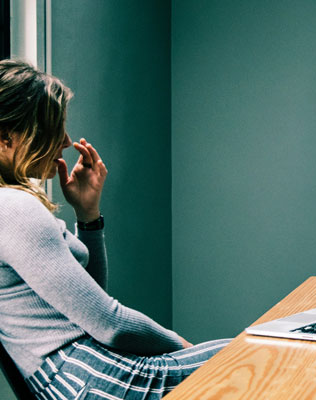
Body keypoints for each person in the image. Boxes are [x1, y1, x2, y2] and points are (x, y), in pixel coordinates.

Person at [0, 60, 230, 399]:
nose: (65, 141)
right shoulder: (13, 208)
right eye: (52, 130)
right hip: (90, 377)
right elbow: (109, 322)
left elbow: (86, 306)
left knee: (259, 355)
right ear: (7, 137)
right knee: (262, 355)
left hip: (83, 377)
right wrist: (182, 346)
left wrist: (88, 214)